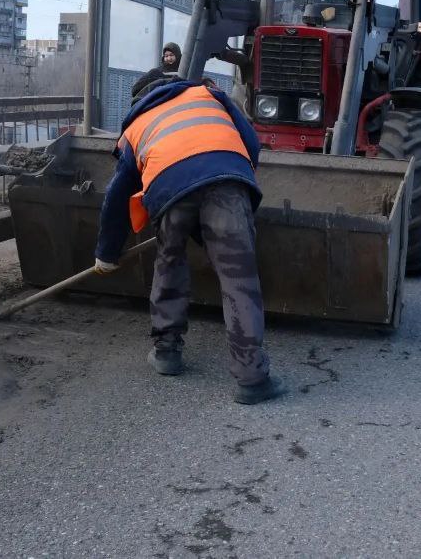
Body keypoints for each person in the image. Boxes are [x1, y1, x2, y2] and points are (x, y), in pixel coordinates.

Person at [95, 76, 285, 405]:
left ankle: (167, 353)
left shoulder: (135, 126)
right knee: (238, 280)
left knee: (169, 261)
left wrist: (106, 253)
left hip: (169, 190)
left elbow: (117, 193)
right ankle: (252, 379)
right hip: (227, 179)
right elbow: (251, 143)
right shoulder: (207, 94)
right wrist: (236, 176)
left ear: (140, 100)